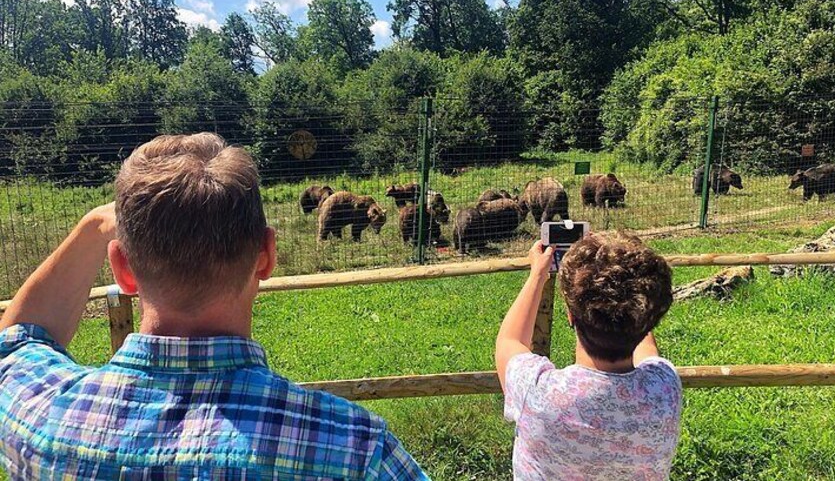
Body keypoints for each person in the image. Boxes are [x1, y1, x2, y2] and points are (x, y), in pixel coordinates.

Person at [0, 133, 427, 480]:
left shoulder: (42, 420)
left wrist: (94, 226)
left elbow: (14, 343)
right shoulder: (356, 451)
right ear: (267, 256)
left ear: (122, 269)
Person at [496, 234, 681, 480]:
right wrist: (630, 278)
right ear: (648, 319)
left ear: (571, 316)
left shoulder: (538, 391)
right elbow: (643, 336)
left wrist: (537, 275)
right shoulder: (664, 389)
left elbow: (510, 341)